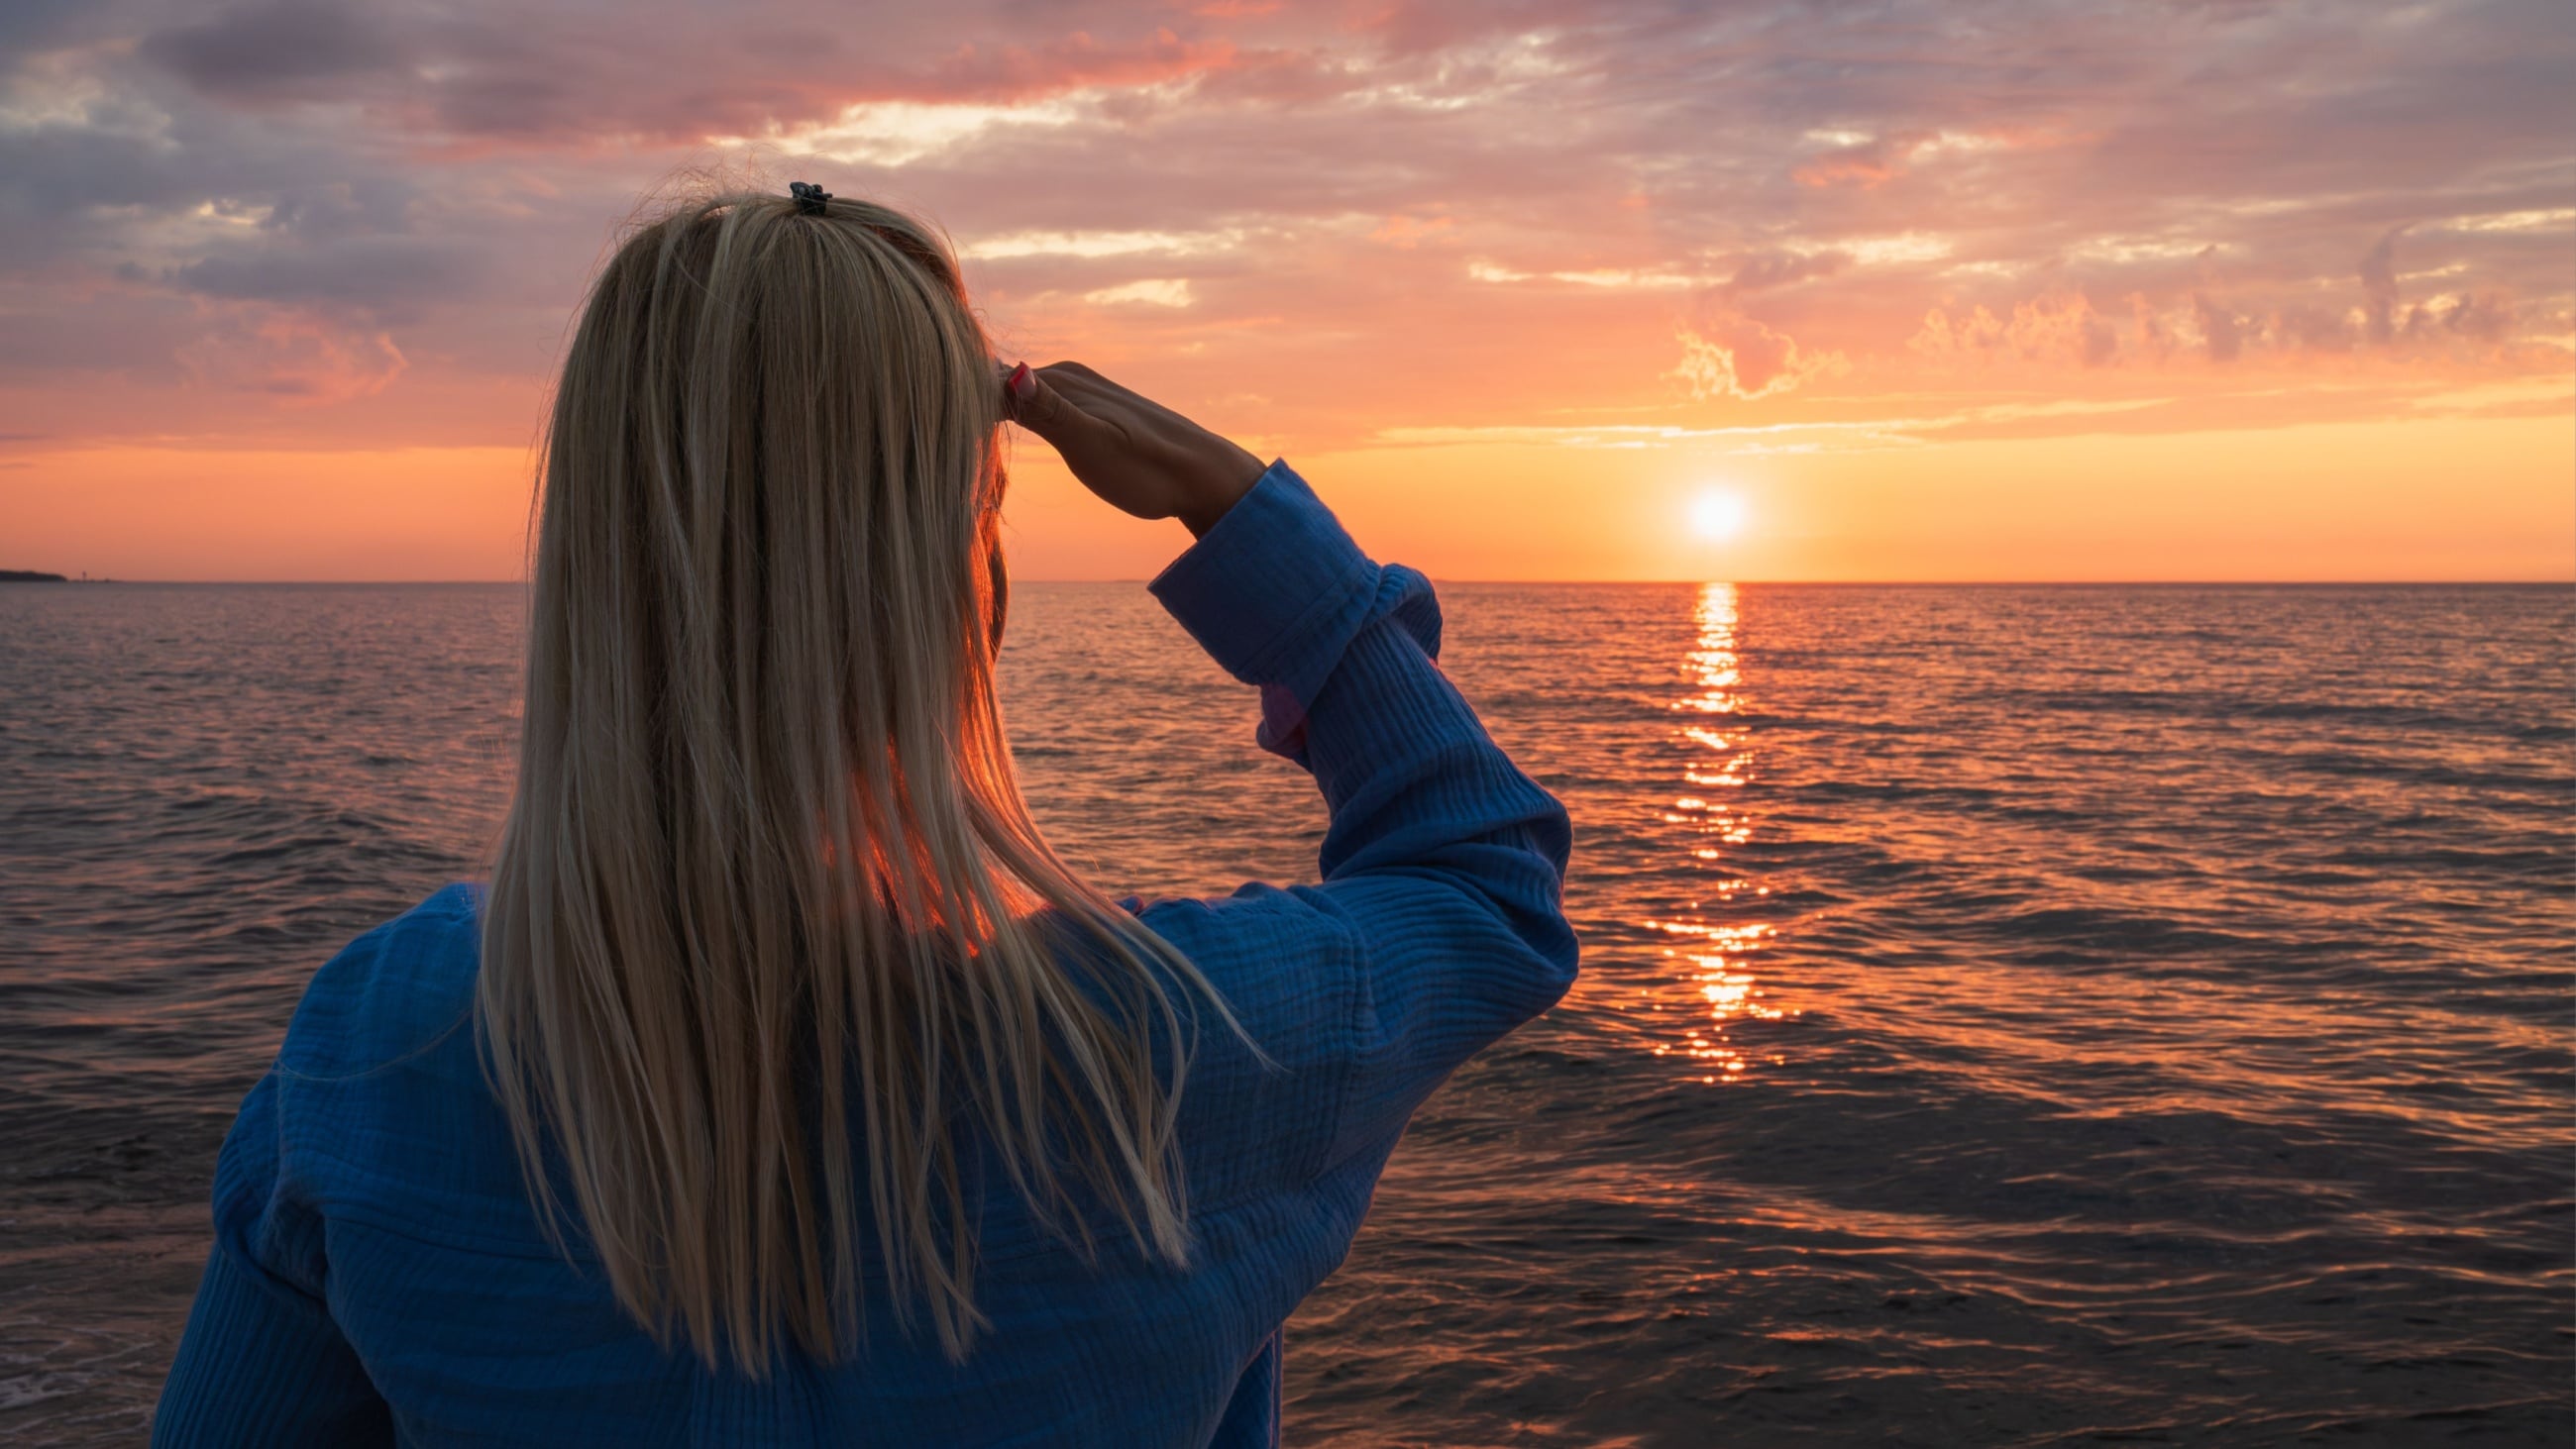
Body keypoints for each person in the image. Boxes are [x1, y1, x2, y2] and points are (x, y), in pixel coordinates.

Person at [151, 183, 1577, 1447]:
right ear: (958, 565)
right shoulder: (1163, 1053)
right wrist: (1245, 516)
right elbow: (1484, 890)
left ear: (597, 544)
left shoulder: (383, 1050)